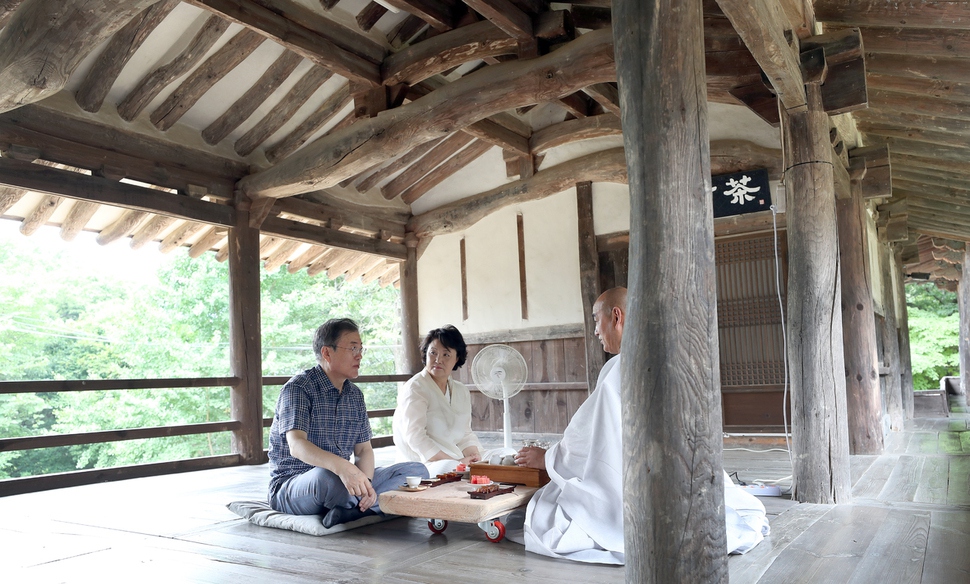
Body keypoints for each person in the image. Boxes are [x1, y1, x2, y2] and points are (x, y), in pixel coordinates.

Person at [512, 287, 769, 564]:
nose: (596, 330)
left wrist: (547, 457)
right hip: (678, 474)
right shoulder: (660, 358)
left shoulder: (618, 369)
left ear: (616, 316)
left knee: (546, 515)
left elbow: (584, 439)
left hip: (637, 485)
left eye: (597, 320)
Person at [267, 318, 428, 528]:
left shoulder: (355, 395)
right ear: (327, 353)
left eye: (361, 349)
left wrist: (367, 485)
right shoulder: (298, 388)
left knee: (418, 472)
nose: (359, 355)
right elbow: (297, 446)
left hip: (343, 480)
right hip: (296, 484)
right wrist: (343, 469)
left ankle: (354, 509)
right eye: (353, 348)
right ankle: (372, 507)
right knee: (327, 478)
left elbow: (363, 451)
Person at [393, 325, 483, 476]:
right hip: (425, 463)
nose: (438, 360)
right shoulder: (416, 388)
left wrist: (475, 457)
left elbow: (465, 434)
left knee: (504, 454)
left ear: (457, 358)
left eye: (446, 355)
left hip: (454, 458)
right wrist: (458, 463)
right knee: (449, 468)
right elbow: (415, 437)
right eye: (433, 353)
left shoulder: (461, 391)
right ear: (425, 354)